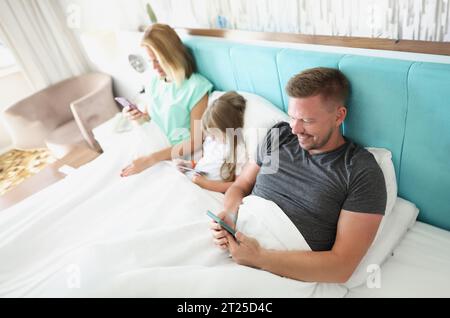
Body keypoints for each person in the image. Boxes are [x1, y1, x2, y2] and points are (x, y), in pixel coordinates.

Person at [210, 67, 387, 283]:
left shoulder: (360, 171)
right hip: (239, 243)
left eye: (307, 121)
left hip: (279, 270)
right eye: (292, 116)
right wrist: (229, 215)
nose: (295, 129)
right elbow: (241, 185)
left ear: (339, 116)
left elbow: (342, 267)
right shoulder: (279, 135)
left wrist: (259, 258)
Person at [121, 23, 213, 177]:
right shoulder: (154, 82)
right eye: (150, 61)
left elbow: (196, 141)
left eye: (158, 60)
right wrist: (136, 116)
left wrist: (151, 159)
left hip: (176, 155)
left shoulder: (196, 87)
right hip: (153, 145)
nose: (154, 67)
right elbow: (149, 117)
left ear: (172, 55)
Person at [175, 91, 248, 193]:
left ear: (227, 128)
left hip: (208, 190)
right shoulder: (211, 141)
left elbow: (237, 186)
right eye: (210, 133)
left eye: (215, 133)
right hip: (194, 179)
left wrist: (204, 183)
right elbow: (208, 162)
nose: (211, 138)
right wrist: (189, 165)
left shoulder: (237, 149)